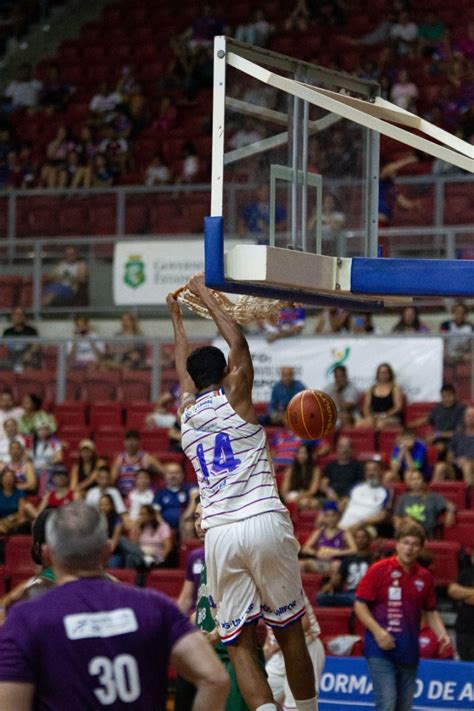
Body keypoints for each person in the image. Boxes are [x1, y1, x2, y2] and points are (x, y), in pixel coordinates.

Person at [168, 275, 318, 711]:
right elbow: (240, 344)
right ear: (226, 373)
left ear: (193, 383)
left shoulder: (186, 416)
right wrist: (209, 297)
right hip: (262, 518)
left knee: (238, 643)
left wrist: (176, 315)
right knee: (288, 628)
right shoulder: (237, 395)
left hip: (218, 535)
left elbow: (182, 368)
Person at [0, 502, 230, 709]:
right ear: (108, 550)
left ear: (47, 553)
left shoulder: (24, 619)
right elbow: (214, 679)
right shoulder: (155, 606)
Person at [355, 522, 451, 711]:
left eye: (415, 544)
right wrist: (378, 632)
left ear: (421, 548)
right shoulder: (379, 569)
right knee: (387, 703)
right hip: (380, 648)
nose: (409, 548)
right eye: (406, 543)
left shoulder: (425, 577)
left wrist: (443, 635)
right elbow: (360, 604)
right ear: (397, 544)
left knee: (404, 706)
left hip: (409, 650)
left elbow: (430, 611)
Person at [316, 526, 373, 607]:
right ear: (355, 540)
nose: (361, 540)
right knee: (321, 597)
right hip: (350, 594)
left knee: (361, 599)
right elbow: (338, 579)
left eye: (364, 537)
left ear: (369, 540)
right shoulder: (348, 559)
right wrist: (330, 585)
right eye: (358, 537)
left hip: (366, 594)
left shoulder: (373, 558)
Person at [393, 469, 455, 539]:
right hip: (406, 534)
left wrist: (450, 512)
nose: (416, 481)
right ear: (409, 483)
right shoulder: (403, 498)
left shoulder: (434, 497)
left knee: (408, 520)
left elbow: (450, 506)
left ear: (424, 480)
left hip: (427, 533)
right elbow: (397, 517)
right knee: (407, 520)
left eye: (418, 478)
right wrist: (400, 523)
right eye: (412, 479)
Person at [338, 459, 393, 535]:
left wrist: (362, 523)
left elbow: (383, 516)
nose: (371, 473)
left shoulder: (386, 491)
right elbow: (342, 505)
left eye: (374, 470)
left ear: (381, 472)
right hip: (345, 524)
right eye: (368, 470)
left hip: (366, 527)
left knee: (357, 535)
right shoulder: (356, 486)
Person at [299, 501, 356, 574]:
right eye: (328, 516)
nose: (331, 519)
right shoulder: (319, 532)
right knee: (300, 564)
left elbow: (354, 550)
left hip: (335, 563)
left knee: (337, 565)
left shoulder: (344, 532)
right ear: (324, 518)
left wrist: (335, 553)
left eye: (333, 516)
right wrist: (317, 553)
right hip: (320, 562)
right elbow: (305, 548)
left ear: (338, 517)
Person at [153, 462, 199, 538]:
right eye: (170, 473)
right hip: (166, 524)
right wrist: (163, 525)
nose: (173, 476)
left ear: (182, 475)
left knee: (188, 525)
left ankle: (186, 549)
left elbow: (195, 496)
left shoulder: (189, 487)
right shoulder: (160, 493)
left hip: (186, 521)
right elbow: (156, 512)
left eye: (177, 473)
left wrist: (187, 515)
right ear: (165, 476)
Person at [111, 430, 163, 497]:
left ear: (139, 442)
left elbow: (163, 472)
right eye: (128, 441)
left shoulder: (146, 458)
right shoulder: (119, 459)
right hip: (123, 495)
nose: (131, 444)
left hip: (141, 495)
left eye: (134, 440)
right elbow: (112, 480)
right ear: (124, 442)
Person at [359, 363, 404, 430]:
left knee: (380, 424)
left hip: (391, 417)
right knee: (362, 423)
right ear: (377, 374)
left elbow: (398, 407)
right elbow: (365, 407)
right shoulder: (371, 389)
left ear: (390, 374)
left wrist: (384, 415)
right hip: (374, 416)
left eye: (386, 372)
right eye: (381, 373)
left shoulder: (395, 388)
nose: (383, 375)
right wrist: (369, 416)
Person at [320, 437, 364, 506]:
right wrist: (329, 492)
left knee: (343, 505)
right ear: (337, 449)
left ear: (351, 450)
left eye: (346, 447)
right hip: (332, 497)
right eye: (341, 447)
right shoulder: (330, 466)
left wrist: (348, 496)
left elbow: (360, 485)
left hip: (349, 498)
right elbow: (323, 485)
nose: (343, 450)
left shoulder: (357, 466)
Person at [448, 546, 474, 661]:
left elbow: (460, 592)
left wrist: (465, 594)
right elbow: (453, 590)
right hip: (465, 630)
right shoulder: (466, 573)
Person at [280, 444, 321, 510]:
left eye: (304, 453)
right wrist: (287, 498)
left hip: (307, 496)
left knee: (314, 503)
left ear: (309, 455)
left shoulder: (316, 471)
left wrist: (299, 497)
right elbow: (284, 490)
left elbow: (313, 491)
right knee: (304, 502)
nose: (302, 456)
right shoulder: (290, 470)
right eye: (299, 453)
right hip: (292, 495)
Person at [31, 416, 63, 495]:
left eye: (46, 429)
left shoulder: (54, 441)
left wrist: (48, 464)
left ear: (49, 431)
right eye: (41, 430)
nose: (43, 432)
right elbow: (26, 457)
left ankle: (43, 496)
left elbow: (59, 457)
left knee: (45, 473)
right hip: (33, 469)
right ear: (36, 431)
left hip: (49, 468)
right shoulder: (31, 442)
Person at [2, 306, 39, 371]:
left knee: (33, 362)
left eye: (20, 314)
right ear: (12, 317)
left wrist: (28, 353)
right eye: (16, 314)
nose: (18, 317)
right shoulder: (7, 332)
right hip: (11, 358)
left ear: (24, 317)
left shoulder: (31, 331)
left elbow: (36, 345)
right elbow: (4, 346)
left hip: (26, 358)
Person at [447, 406, 474, 485]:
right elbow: (449, 454)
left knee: (467, 467)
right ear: (464, 417)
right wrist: (456, 461)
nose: (470, 418)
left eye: (473, 416)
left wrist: (468, 461)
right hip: (457, 465)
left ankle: (468, 496)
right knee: (440, 467)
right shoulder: (458, 434)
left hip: (471, 466)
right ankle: (435, 496)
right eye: (468, 416)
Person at [0, 469, 27, 534]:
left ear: (14, 479)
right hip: (2, 521)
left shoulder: (19, 493)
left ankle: (10, 530)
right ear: (1, 480)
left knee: (22, 521)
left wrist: (10, 518)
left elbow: (21, 514)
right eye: (6, 477)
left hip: (15, 521)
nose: (8, 479)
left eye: (11, 477)